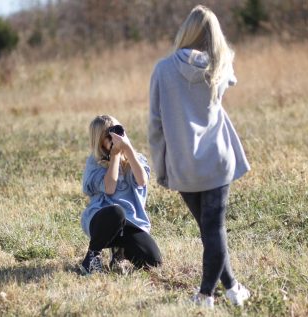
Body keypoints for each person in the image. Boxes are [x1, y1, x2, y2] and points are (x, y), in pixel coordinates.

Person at [148, 5, 251, 308]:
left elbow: (155, 125)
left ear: (185, 31)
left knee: (210, 231)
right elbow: (230, 77)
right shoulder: (220, 67)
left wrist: (161, 166)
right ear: (214, 36)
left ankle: (227, 290)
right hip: (218, 161)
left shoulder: (162, 69)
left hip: (183, 165)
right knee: (213, 230)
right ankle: (209, 294)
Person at [80, 115, 162, 275]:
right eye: (108, 135)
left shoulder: (136, 159)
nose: (114, 137)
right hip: (102, 219)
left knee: (154, 262)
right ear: (99, 141)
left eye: (118, 131)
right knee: (116, 212)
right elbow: (109, 187)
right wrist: (115, 156)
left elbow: (142, 180)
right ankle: (92, 257)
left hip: (131, 222)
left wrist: (128, 150)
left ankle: (121, 253)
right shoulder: (95, 162)